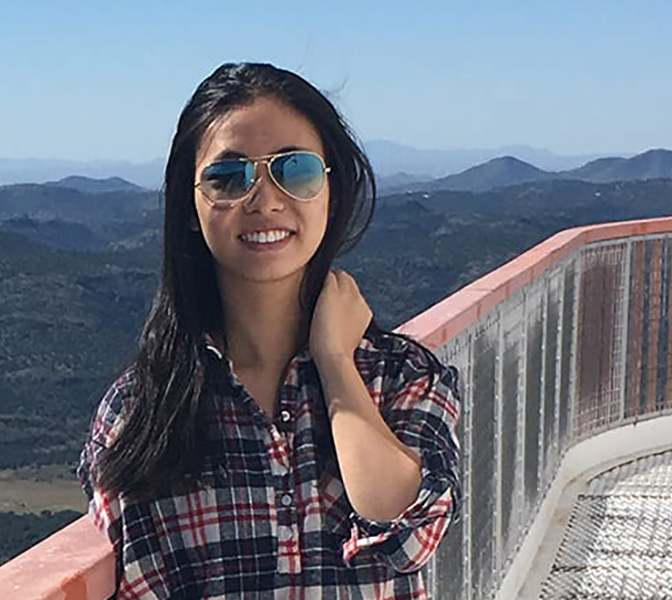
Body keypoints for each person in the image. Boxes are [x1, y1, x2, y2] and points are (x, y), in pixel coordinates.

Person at [76, 62, 462, 599]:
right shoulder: (141, 413)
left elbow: (408, 533)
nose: (264, 199)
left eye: (295, 170)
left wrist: (334, 361)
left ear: (331, 191)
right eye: (228, 177)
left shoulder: (401, 377)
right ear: (189, 205)